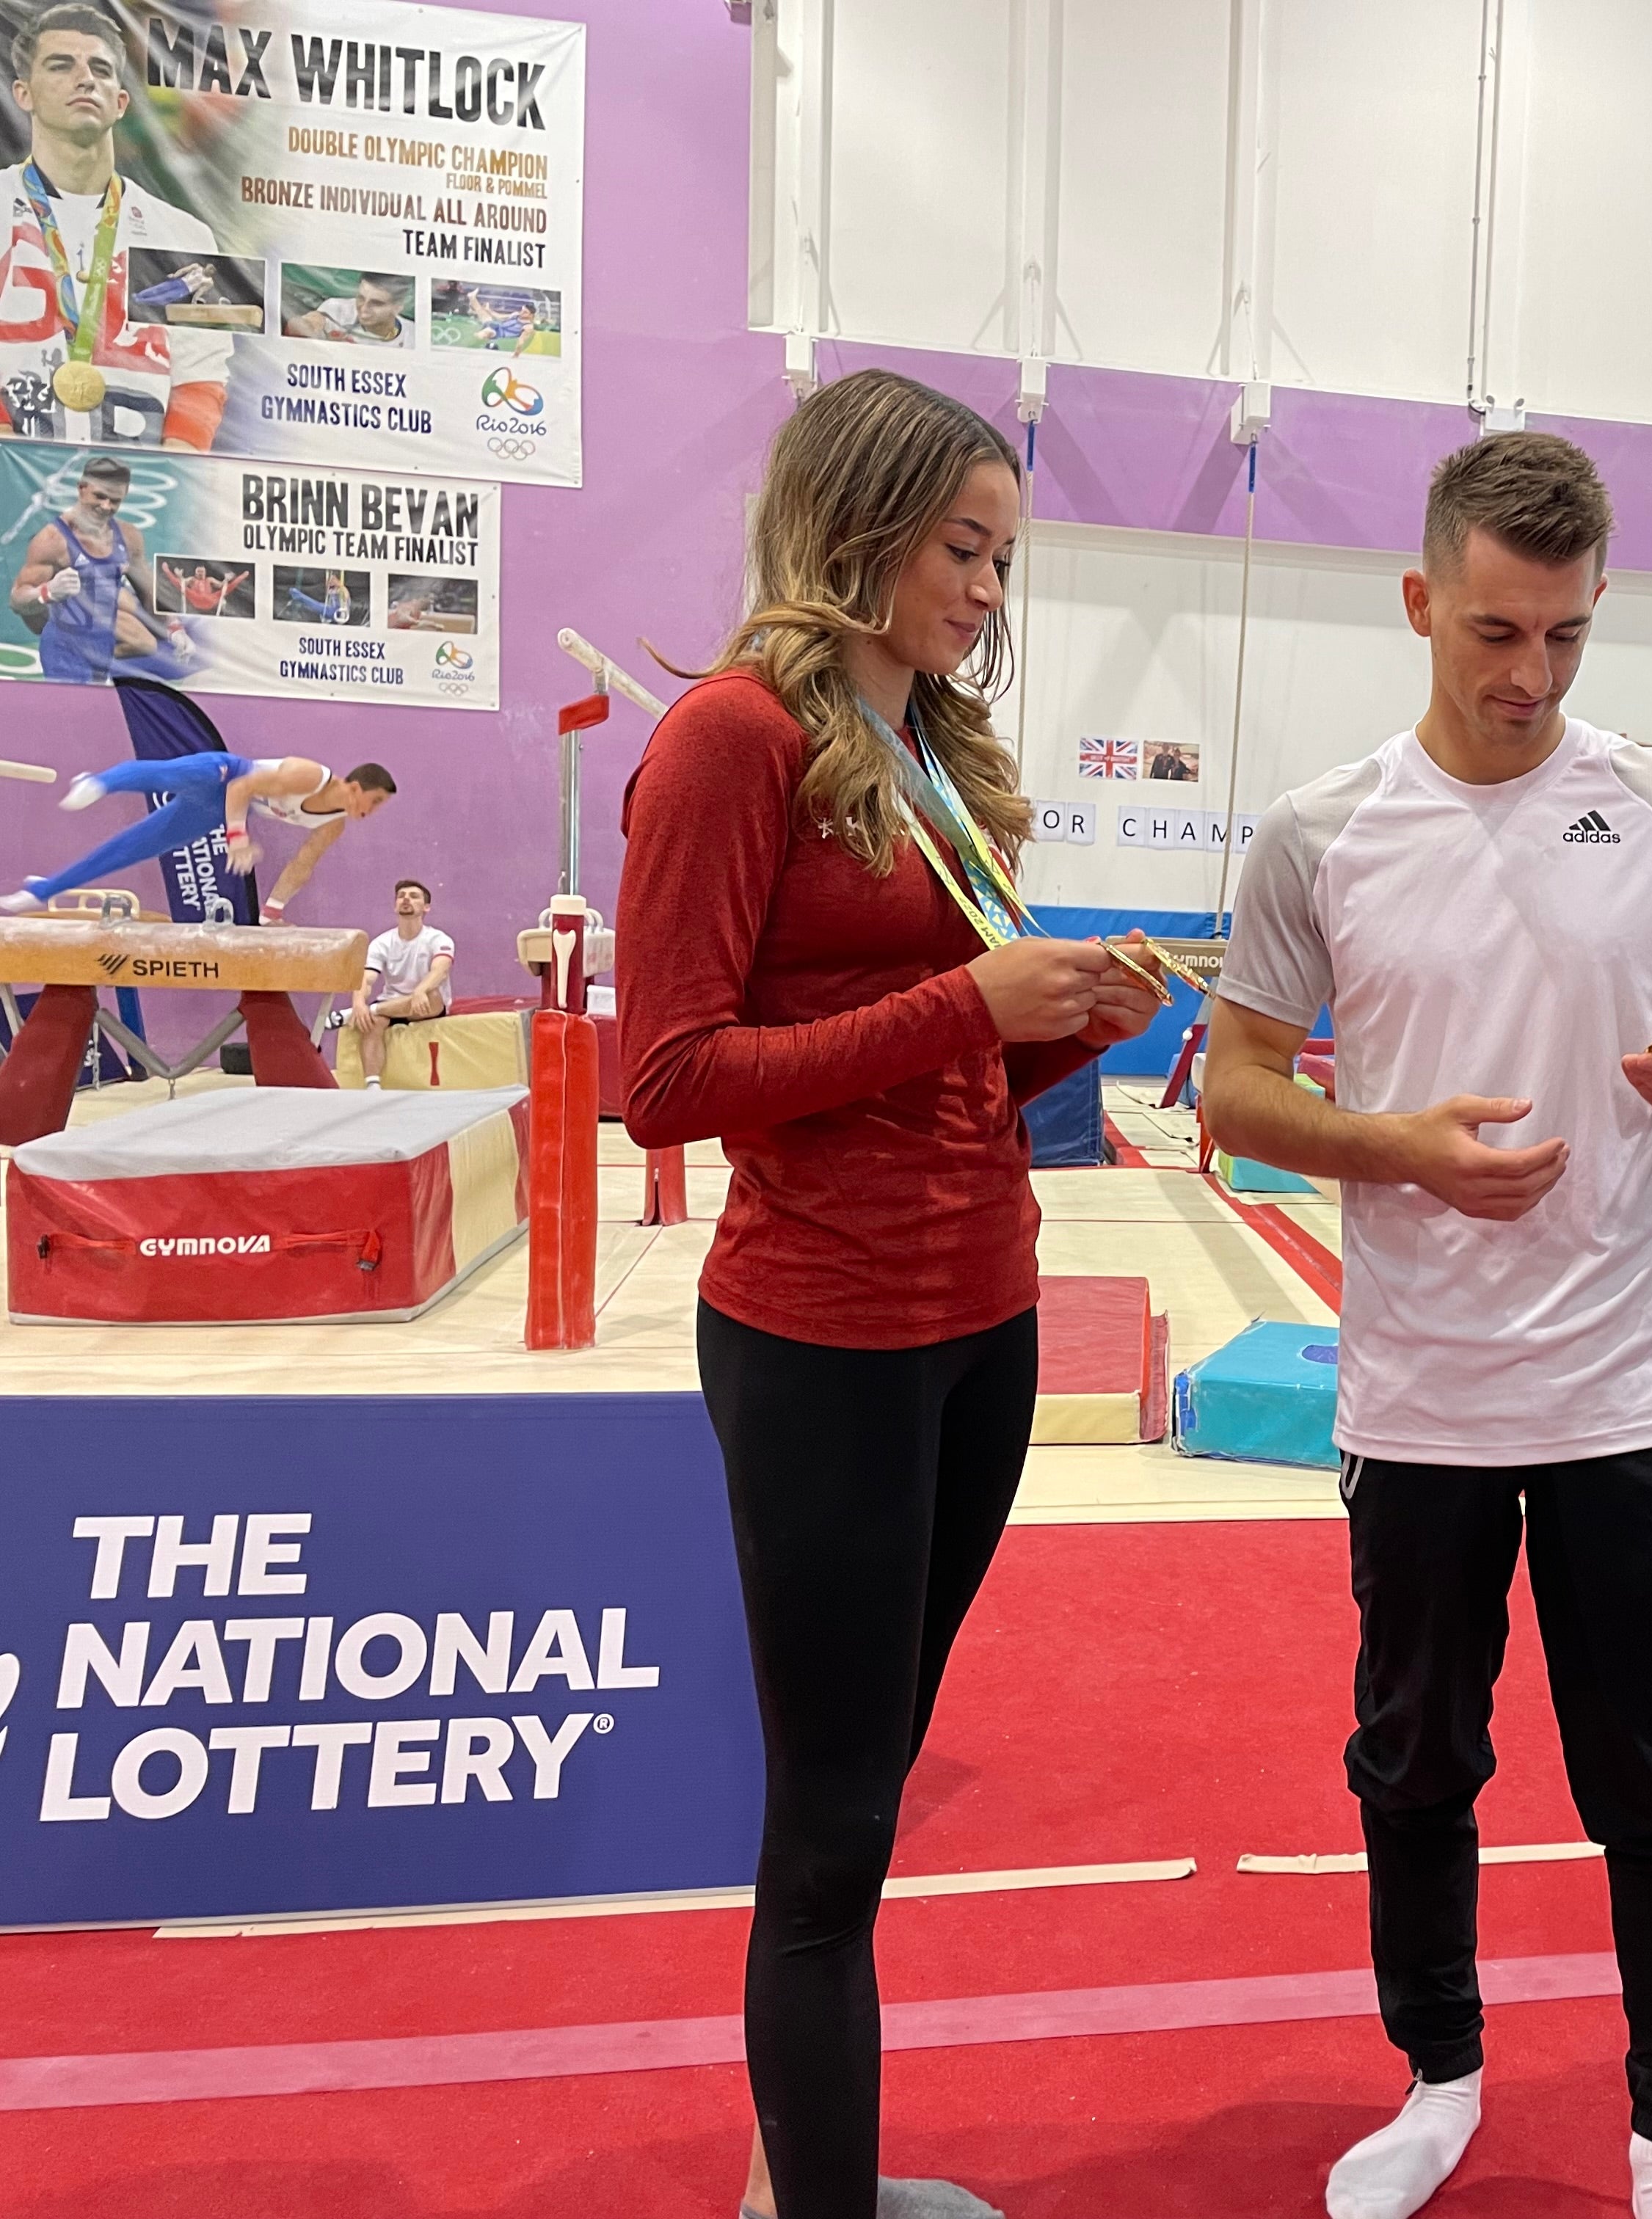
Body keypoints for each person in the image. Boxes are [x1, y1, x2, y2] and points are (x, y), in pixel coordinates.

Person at [1205, 432, 1652, 2219]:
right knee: (1416, 1766)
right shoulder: (1319, 833)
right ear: (1418, 605)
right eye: (1493, 634)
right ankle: (1437, 2077)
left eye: (1566, 638)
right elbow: (1227, 1091)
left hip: (1621, 1391)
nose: (1529, 677)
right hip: (1421, 1400)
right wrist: (1394, 1152)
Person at [616, 366, 1160, 2219]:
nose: (989, 589)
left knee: (876, 1790)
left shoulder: (930, 747)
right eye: (961, 547)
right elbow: (666, 1080)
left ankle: (800, 2183)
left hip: (978, 1322)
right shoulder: (730, 738)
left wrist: (1057, 1036)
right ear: (855, 525)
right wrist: (969, 1006)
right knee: (831, 1830)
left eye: (1003, 556)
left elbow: (931, 1080)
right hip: (824, 1340)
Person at [0, 4, 234, 450]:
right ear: (23, 93)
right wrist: (11, 468)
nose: (85, 78)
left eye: (101, 69)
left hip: (140, 489)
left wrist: (170, 473)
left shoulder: (185, 237)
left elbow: (200, 376)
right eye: (60, 65)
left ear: (121, 102)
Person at [5, 751, 393, 914]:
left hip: (212, 811)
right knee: (164, 774)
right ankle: (101, 781)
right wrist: (238, 839)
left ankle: (43, 891)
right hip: (224, 773)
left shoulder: (332, 824)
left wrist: (272, 911)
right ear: (356, 787)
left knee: (131, 849)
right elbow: (243, 789)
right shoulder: (310, 776)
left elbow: (303, 864)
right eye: (374, 801)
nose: (372, 812)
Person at [11, 453, 191, 679]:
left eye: (115, 500)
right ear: (82, 488)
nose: (106, 506)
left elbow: (149, 595)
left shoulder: (129, 537)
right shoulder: (53, 541)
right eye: (100, 496)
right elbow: (17, 600)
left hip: (104, 643)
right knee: (72, 712)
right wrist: (46, 592)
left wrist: (175, 627)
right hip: (65, 647)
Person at [350, 878, 454, 1088]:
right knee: (372, 1023)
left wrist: (420, 991)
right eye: (401, 896)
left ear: (426, 908)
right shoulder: (382, 943)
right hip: (393, 1004)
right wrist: (358, 1002)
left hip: (424, 1004)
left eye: (414, 896)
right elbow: (367, 978)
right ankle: (373, 1086)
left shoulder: (438, 939)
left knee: (434, 999)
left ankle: (372, 1010)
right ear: (395, 905)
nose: (406, 899)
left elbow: (440, 970)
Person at [288, 270, 414, 347]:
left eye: (376, 303)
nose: (364, 308)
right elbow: (297, 325)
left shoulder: (414, 336)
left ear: (398, 307)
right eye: (361, 298)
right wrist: (319, 340)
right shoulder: (336, 310)